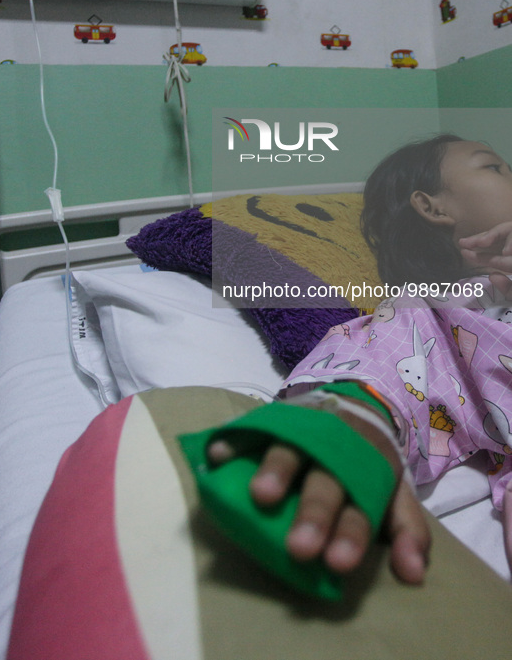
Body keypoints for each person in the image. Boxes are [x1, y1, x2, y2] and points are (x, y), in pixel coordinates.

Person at [208, 134, 512, 584]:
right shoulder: (448, 310)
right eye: (494, 166)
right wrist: (349, 413)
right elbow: (379, 360)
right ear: (431, 208)